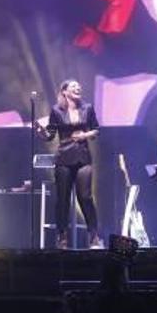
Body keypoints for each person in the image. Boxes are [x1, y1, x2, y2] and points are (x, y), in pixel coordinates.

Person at [35, 80, 103, 249]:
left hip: (83, 157)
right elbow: (50, 134)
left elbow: (96, 130)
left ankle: (94, 236)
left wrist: (84, 136)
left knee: (85, 197)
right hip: (64, 158)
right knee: (63, 199)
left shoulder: (87, 108)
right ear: (64, 92)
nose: (78, 88)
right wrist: (40, 132)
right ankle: (62, 236)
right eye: (73, 86)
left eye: (79, 86)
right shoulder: (56, 110)